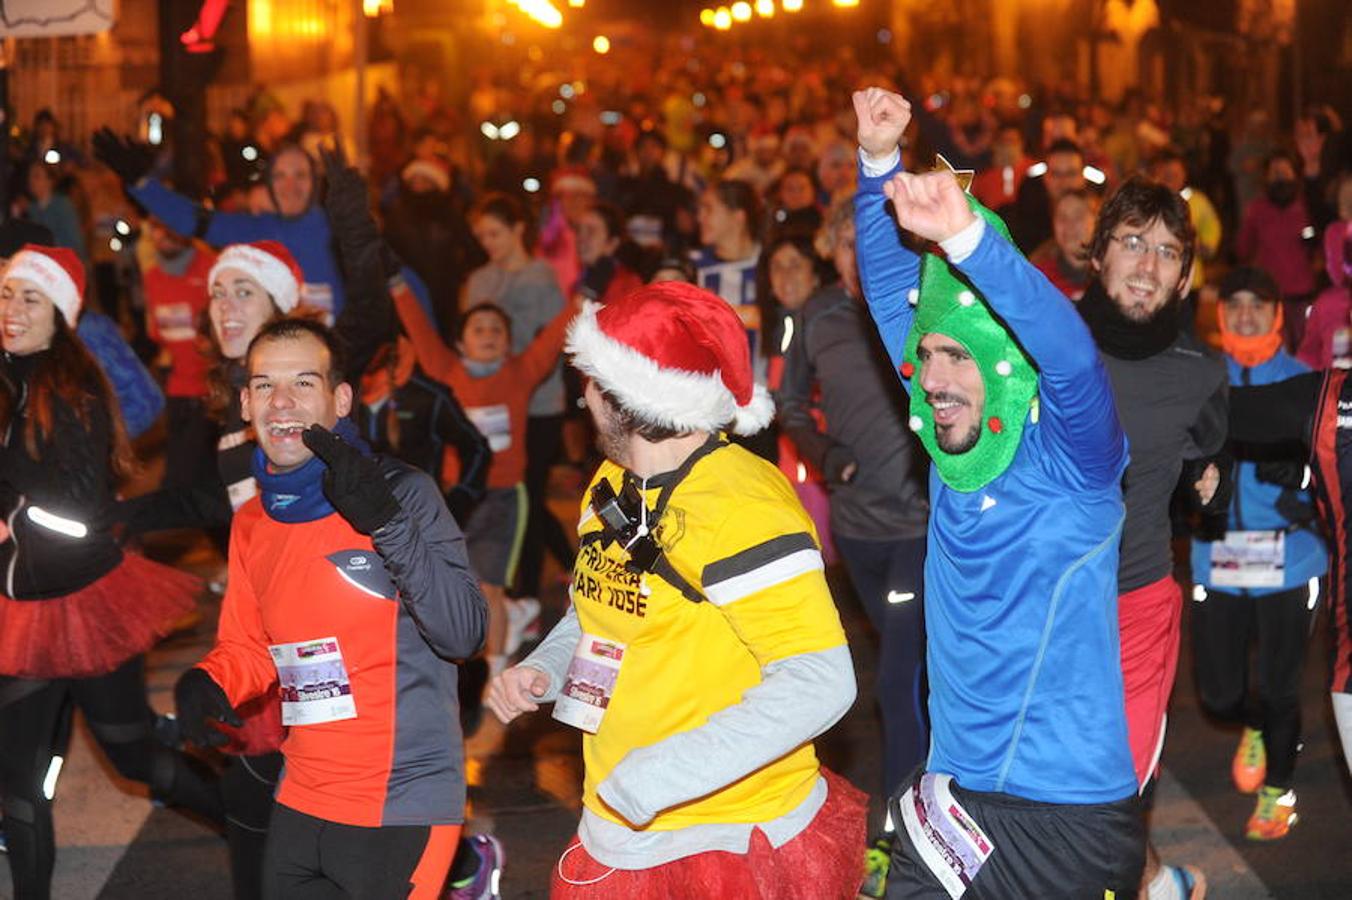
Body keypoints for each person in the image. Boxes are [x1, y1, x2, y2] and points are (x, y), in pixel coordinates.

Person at [852, 87, 1143, 898]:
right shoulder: (951, 452)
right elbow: (887, 291)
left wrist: (972, 241)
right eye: (929, 356)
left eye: (961, 358)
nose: (936, 379)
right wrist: (877, 160)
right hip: (950, 806)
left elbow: (1073, 356)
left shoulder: (1074, 461)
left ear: (1008, 368)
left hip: (1068, 820)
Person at [487, 279, 863, 899]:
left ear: (624, 395)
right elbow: (599, 606)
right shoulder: (613, 481)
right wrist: (545, 670)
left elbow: (821, 680)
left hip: (723, 836)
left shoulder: (744, 506)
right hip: (620, 819)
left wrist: (656, 777)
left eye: (589, 382)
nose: (581, 399)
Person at [173, 318, 486, 899]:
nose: (281, 402)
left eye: (303, 383)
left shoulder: (403, 490)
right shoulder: (252, 521)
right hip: (301, 796)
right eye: (264, 385)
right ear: (244, 403)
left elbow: (462, 633)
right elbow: (250, 646)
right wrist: (209, 681)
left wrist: (387, 523)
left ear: (340, 399)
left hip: (401, 800)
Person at [0, 244, 221, 900]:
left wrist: (10, 506)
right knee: (16, 778)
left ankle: (255, 824)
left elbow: (79, 508)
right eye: (7, 294)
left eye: (29, 299)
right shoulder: (8, 377)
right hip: (21, 606)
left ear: (61, 315)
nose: (12, 310)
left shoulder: (70, 388)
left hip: (86, 598)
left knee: (132, 755)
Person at [1077, 175, 1229, 900]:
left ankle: (1142, 881)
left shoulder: (1200, 372)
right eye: (1132, 243)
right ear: (1099, 252)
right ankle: (1156, 882)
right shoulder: (1047, 345)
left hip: (1137, 602)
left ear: (1186, 275)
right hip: (1046, 606)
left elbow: (1207, 450)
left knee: (1117, 785)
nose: (1147, 266)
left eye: (1167, 252)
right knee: (1055, 787)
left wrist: (1210, 478)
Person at [776, 197, 929, 898]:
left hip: (921, 529)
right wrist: (824, 450)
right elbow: (789, 404)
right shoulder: (816, 318)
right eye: (846, 248)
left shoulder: (923, 306)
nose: (857, 260)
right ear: (832, 253)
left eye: (868, 247)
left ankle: (900, 837)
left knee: (896, 682)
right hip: (857, 528)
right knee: (909, 669)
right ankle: (938, 780)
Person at [1190, 267, 1327, 841]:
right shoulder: (1199, 381)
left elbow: (1335, 471)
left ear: (1277, 314)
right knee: (1219, 694)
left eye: (1258, 304)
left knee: (1281, 687)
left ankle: (1278, 790)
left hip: (1290, 559)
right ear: (1222, 315)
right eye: (1235, 304)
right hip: (1216, 555)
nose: (1246, 314)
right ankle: (1253, 725)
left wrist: (1303, 484)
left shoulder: (1306, 383)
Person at [94, 130, 348, 321]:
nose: (290, 186)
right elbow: (194, 221)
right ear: (268, 184)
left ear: (315, 182)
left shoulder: (338, 227)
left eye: (300, 175)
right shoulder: (258, 229)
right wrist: (142, 185)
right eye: (280, 176)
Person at [461, 192, 573, 606]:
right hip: (489, 405)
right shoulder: (479, 280)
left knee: (526, 492)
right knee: (510, 492)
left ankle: (525, 588)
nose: (487, 243)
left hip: (537, 403)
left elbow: (553, 339)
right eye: (481, 235)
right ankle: (561, 564)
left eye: (495, 233)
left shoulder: (541, 279)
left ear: (518, 230)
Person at [141, 218, 218, 490]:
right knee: (183, 479)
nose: (165, 233)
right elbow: (158, 333)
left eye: (170, 224)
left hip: (211, 394)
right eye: (158, 227)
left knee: (187, 479)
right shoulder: (151, 278)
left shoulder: (212, 269)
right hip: (177, 390)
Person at [1236, 150, 1318, 349]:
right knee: (1273, 349)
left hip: (1302, 295)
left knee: (1304, 349)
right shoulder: (1257, 209)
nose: (1280, 177)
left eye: (1284, 171)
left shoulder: (1309, 207)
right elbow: (1242, 249)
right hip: (1269, 295)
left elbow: (1322, 249)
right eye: (1275, 172)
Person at [1031, 188, 1099, 301]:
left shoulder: (1111, 277)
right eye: (1062, 217)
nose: (1069, 224)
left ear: (1096, 221)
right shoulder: (1038, 279)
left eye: (1078, 216)